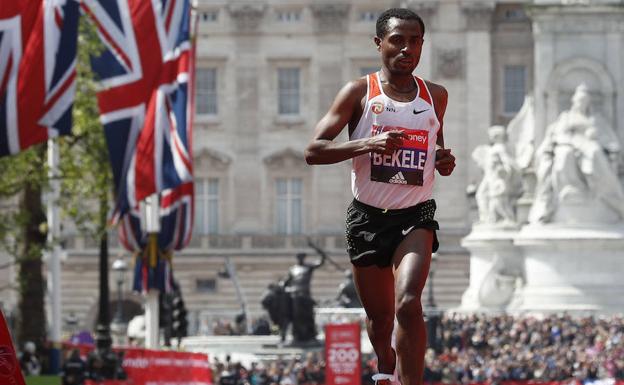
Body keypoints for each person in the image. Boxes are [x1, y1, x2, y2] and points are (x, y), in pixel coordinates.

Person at [304, 8, 455, 385]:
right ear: (379, 44)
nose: (407, 49)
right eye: (398, 40)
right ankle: (385, 367)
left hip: (415, 216)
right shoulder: (358, 92)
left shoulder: (435, 95)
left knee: (408, 303)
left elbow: (436, 148)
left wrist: (442, 160)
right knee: (381, 318)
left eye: (415, 41)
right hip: (368, 217)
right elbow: (314, 151)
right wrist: (367, 144)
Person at [529, 83, 624, 223]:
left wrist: (599, 139)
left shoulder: (595, 119)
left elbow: (608, 138)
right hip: (568, 144)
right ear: (574, 101)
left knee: (594, 153)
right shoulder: (566, 117)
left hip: (590, 146)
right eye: (580, 101)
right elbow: (557, 135)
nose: (582, 104)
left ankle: (608, 195)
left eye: (585, 101)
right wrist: (571, 141)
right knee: (565, 155)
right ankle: (572, 189)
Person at [283, 252, 325, 344]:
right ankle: (297, 336)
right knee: (296, 317)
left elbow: (321, 262)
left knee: (308, 316)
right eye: (299, 257)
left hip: (305, 295)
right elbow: (287, 282)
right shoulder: (293, 269)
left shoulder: (308, 267)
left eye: (302, 257)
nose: (301, 259)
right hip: (295, 296)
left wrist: (321, 253)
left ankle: (311, 336)